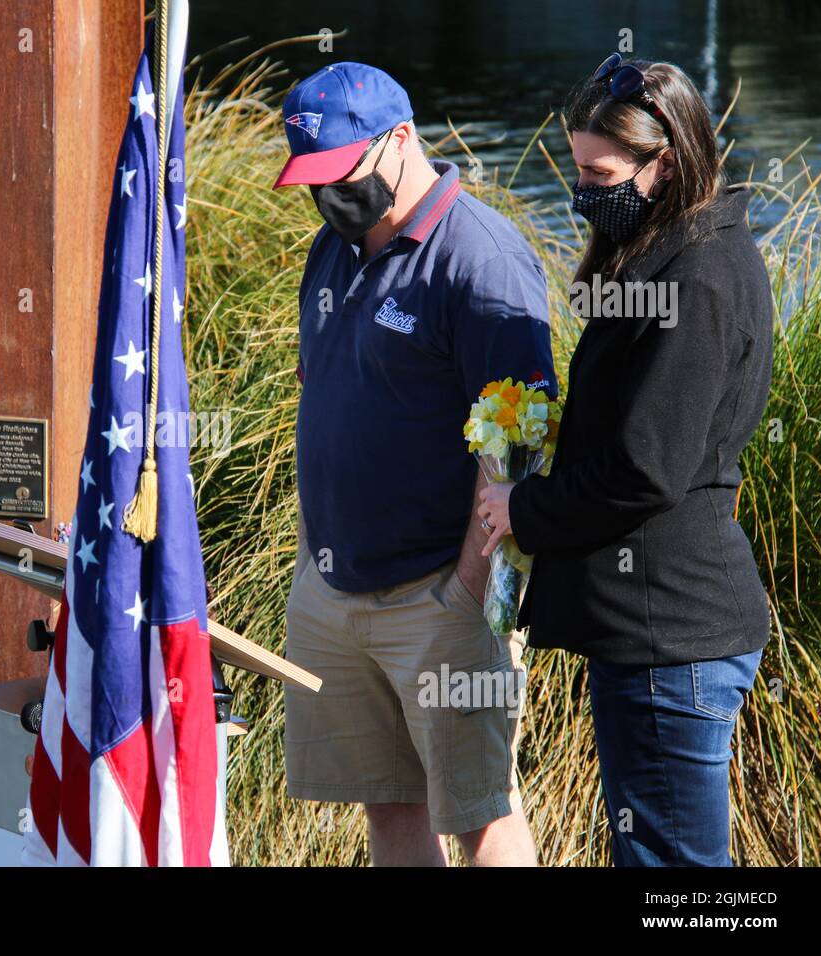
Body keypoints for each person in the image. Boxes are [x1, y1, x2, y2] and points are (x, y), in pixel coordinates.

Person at [477, 54, 774, 867]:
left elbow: (648, 467)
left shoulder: (700, 277)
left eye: (597, 173)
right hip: (662, 633)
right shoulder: (675, 250)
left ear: (665, 162)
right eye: (575, 170)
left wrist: (523, 512)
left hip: (668, 638)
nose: (582, 191)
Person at [274, 62, 558, 866]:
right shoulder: (332, 248)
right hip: (334, 587)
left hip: (440, 594)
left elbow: (517, 442)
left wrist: (470, 586)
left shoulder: (482, 260)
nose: (328, 197)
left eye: (340, 175)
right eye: (314, 181)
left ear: (399, 140)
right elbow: (325, 390)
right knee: (387, 802)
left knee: (480, 812)